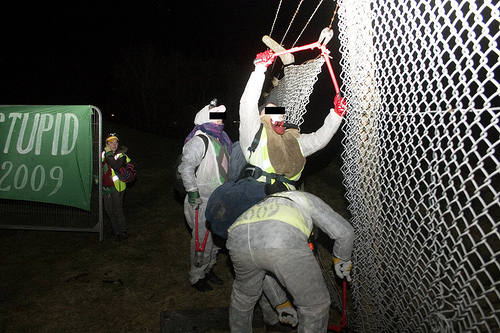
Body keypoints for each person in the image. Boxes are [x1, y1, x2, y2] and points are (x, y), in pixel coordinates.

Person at [226, 191, 354, 333]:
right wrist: (341, 258)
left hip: (238, 238)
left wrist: (281, 304)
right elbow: (344, 232)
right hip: (283, 237)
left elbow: (263, 266)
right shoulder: (304, 197)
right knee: (314, 306)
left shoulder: (265, 201)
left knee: (244, 297)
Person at [239, 49, 347, 194]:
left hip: (291, 195)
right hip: (258, 192)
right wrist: (260, 69)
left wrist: (337, 115)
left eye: (279, 111)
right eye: (271, 110)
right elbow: (247, 103)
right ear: (259, 117)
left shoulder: (293, 138)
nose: (278, 113)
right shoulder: (253, 133)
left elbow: (319, 140)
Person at [178, 100, 232, 292]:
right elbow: (186, 168)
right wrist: (192, 192)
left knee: (216, 239)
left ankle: (208, 269)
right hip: (201, 199)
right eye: (215, 116)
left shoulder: (223, 139)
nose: (220, 120)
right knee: (202, 241)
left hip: (219, 199)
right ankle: (196, 276)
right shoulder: (199, 140)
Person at [101, 133, 131, 242]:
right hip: (105, 188)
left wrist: (108, 153)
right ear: (106, 144)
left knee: (118, 210)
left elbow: (115, 165)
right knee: (109, 210)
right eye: (111, 142)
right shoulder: (103, 154)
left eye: (115, 142)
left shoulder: (121, 155)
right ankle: (116, 230)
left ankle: (123, 231)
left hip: (118, 188)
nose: (113, 144)